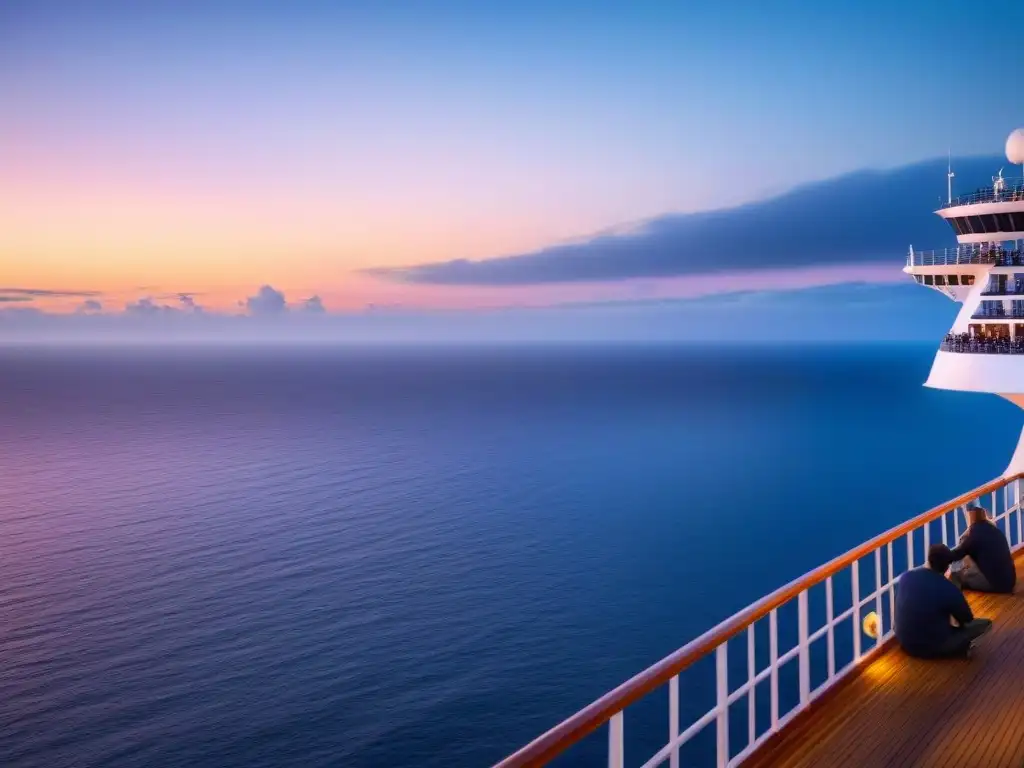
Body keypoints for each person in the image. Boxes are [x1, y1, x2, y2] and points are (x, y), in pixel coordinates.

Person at [895, 544, 992, 659]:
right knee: (985, 624)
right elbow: (967, 618)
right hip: (931, 647)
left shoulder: (906, 577)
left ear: (928, 559)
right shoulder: (948, 588)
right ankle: (961, 648)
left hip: (904, 642)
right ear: (947, 568)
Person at [949, 505, 1016, 593]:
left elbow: (954, 556)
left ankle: (954, 587)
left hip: (997, 585)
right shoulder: (995, 530)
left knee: (962, 574)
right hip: (1010, 581)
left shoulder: (972, 537)